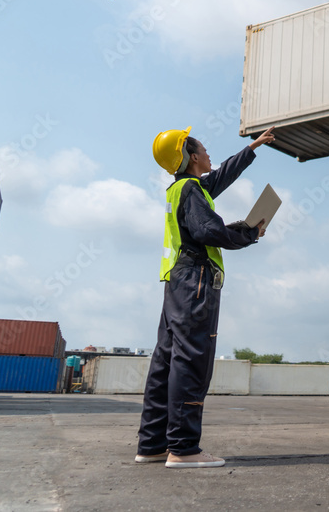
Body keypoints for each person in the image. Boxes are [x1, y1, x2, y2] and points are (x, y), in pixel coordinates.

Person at [136, 125, 275, 468]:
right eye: (204, 148)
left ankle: (152, 444)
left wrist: (252, 148)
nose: (210, 152)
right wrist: (249, 233)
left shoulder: (183, 188)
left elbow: (221, 176)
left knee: (166, 362)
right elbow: (209, 231)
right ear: (193, 156)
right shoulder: (192, 191)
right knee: (191, 360)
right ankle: (183, 450)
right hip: (196, 281)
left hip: (177, 283)